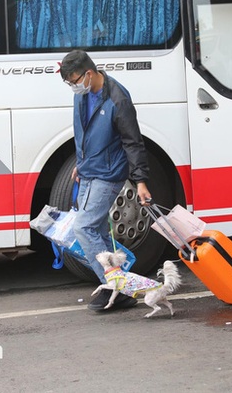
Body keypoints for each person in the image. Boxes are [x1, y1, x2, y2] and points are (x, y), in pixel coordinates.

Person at [59, 50, 153, 311]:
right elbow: (84, 133)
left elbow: (133, 142)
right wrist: (81, 162)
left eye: (74, 80)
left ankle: (117, 286)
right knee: (97, 231)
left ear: (89, 74)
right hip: (89, 170)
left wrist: (141, 181)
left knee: (84, 228)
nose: (73, 87)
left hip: (109, 175)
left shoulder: (118, 98)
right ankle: (122, 280)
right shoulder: (83, 95)